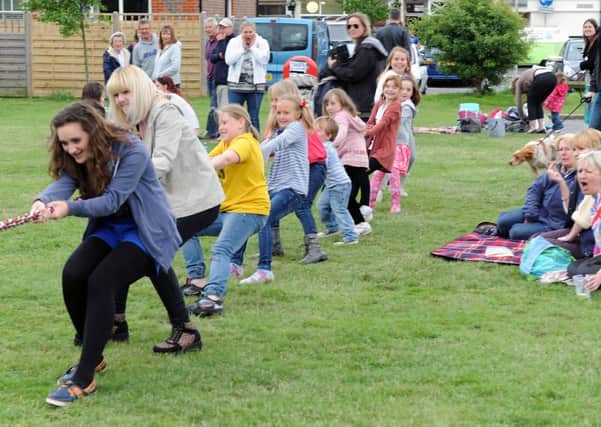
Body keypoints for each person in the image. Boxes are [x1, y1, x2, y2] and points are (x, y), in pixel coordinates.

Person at [32, 102, 198, 407]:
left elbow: (112, 201)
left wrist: (69, 208)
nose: (70, 149)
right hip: (110, 228)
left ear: (93, 132)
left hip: (146, 230)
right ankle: (93, 356)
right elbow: (65, 183)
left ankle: (84, 378)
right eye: (64, 143)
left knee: (102, 282)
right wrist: (43, 201)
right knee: (73, 273)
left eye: (76, 141)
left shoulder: (131, 151)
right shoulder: (77, 156)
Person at [107, 65, 224, 349]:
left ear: (142, 88)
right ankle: (116, 322)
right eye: (116, 95)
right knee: (125, 245)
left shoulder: (165, 112)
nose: (122, 99)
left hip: (196, 202)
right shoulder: (137, 119)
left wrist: (120, 181)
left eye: (126, 92)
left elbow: (162, 161)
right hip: (168, 202)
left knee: (150, 256)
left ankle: (185, 331)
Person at [183, 105, 270, 312]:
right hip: (230, 211)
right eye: (219, 123)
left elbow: (227, 159)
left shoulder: (245, 141)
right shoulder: (226, 143)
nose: (220, 127)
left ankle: (213, 298)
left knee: (222, 249)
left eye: (224, 123)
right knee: (185, 229)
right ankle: (196, 281)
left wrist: (205, 164)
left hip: (250, 210)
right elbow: (203, 161)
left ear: (241, 122)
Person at [236, 93, 311, 285]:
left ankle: (264, 269)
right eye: (279, 113)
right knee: (247, 215)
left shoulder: (296, 129)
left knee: (265, 219)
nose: (282, 116)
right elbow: (266, 145)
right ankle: (235, 263)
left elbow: (274, 145)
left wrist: (250, 152)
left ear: (298, 114)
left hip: (293, 189)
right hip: (276, 186)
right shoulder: (280, 131)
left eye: (286, 112)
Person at [264, 79, 328, 263]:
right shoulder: (280, 121)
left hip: (314, 167)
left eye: (276, 99)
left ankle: (314, 248)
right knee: (270, 197)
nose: (274, 104)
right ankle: (274, 245)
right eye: (272, 101)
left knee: (302, 206)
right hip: (294, 171)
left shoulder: (298, 124)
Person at [495, 134, 579, 240]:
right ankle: (500, 229)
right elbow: (534, 191)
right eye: (560, 149)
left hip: (554, 223)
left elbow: (573, 210)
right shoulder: (555, 169)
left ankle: (510, 231)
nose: (563, 153)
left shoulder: (581, 175)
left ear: (577, 151)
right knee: (503, 221)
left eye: (567, 149)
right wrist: (531, 215)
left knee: (515, 232)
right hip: (538, 211)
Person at [540, 130, 601, 258]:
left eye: (580, 148)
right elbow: (572, 212)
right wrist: (561, 182)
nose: (576, 153)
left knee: (539, 243)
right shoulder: (580, 175)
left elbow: (582, 219)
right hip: (574, 230)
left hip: (587, 240)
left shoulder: (592, 177)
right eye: (574, 149)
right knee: (536, 240)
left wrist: (570, 236)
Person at [323, 88, 371, 236]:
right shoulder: (351, 116)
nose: (329, 107)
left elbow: (341, 133)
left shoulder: (341, 116)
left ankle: (360, 222)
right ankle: (354, 220)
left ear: (342, 104)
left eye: (333, 103)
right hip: (359, 158)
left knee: (344, 195)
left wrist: (330, 145)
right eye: (327, 104)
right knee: (346, 194)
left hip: (349, 159)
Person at [370, 73, 420, 213]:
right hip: (386, 145)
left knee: (394, 174)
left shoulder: (406, 107)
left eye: (408, 90)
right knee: (378, 173)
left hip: (397, 146)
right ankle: (371, 202)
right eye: (402, 89)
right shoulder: (388, 104)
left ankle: (395, 203)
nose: (404, 92)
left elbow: (392, 124)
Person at [327, 12, 388, 121]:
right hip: (362, 101)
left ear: (364, 27)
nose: (352, 29)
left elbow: (353, 74)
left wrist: (335, 66)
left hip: (363, 104)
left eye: (356, 26)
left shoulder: (367, 49)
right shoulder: (363, 47)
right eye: (349, 26)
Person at [315, 116, 359, 245]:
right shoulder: (320, 146)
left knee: (339, 209)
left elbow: (322, 166)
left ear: (328, 136)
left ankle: (351, 236)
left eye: (318, 131)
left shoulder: (326, 148)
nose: (314, 133)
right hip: (331, 185)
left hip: (340, 185)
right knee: (322, 206)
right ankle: (333, 228)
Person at [225, 20, 270, 131]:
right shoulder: (233, 42)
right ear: (241, 32)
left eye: (250, 32)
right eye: (245, 32)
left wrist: (252, 48)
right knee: (234, 115)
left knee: (253, 117)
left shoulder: (262, 42)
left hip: (255, 87)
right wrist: (243, 49)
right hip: (236, 86)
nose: (248, 35)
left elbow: (264, 60)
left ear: (254, 32)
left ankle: (254, 142)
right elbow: (229, 60)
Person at [566, 150, 601, 288]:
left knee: (582, 271)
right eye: (580, 171)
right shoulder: (596, 200)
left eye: (588, 171)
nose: (582, 176)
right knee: (574, 269)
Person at [365, 72, 403, 175]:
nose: (390, 90)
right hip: (371, 144)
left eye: (394, 87)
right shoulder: (379, 103)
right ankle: (358, 191)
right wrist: (366, 129)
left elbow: (383, 123)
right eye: (387, 86)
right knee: (359, 174)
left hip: (384, 148)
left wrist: (368, 132)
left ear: (399, 91)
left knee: (363, 171)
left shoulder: (396, 106)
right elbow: (371, 121)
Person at [513, 67, 557, 133]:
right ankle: (541, 127)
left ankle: (533, 127)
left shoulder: (518, 83)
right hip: (553, 78)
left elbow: (519, 103)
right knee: (538, 103)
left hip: (541, 78)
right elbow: (539, 102)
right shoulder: (527, 79)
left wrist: (522, 118)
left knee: (531, 102)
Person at [211, 18, 236, 109]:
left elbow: (226, 56)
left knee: (224, 109)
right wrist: (218, 56)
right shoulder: (220, 40)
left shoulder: (233, 41)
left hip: (227, 81)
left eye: (224, 28)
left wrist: (221, 42)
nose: (221, 30)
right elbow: (212, 57)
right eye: (220, 28)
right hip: (218, 80)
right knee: (216, 109)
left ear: (230, 28)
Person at [203, 17, 219, 139]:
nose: (207, 29)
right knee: (213, 104)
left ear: (216, 28)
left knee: (214, 105)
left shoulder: (219, 41)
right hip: (209, 77)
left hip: (217, 77)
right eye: (206, 27)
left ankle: (211, 132)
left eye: (210, 27)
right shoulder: (208, 42)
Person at [580, 19, 598, 125]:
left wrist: (582, 65)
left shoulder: (597, 42)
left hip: (595, 82)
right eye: (585, 27)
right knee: (588, 107)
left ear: (595, 28)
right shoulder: (588, 43)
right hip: (588, 80)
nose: (587, 29)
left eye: (590, 27)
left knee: (592, 108)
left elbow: (593, 62)